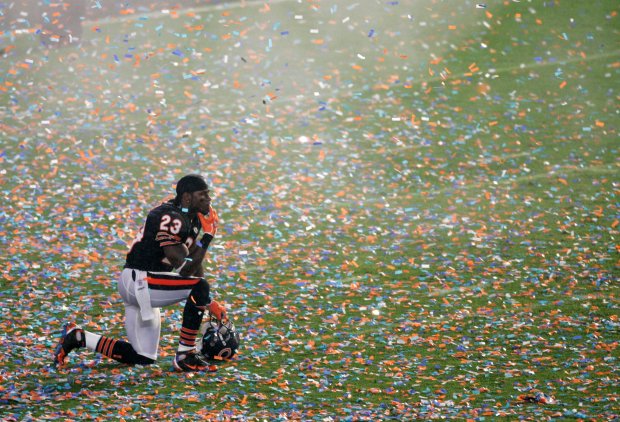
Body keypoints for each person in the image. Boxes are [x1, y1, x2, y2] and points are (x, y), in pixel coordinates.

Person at [53, 174, 227, 372]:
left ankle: (78, 337)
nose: (208, 199)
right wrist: (208, 238)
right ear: (187, 197)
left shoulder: (191, 219)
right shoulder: (171, 216)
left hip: (147, 283)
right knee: (200, 286)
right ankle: (186, 354)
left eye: (208, 194)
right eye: (202, 195)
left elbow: (192, 269)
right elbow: (181, 263)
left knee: (142, 356)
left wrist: (209, 302)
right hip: (139, 280)